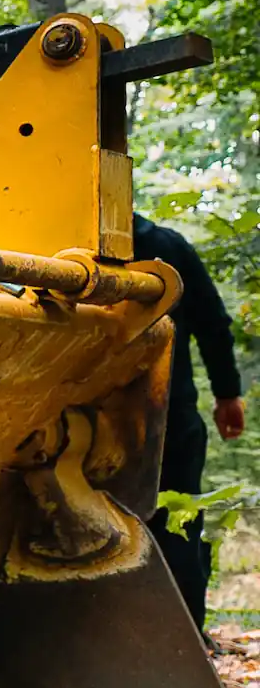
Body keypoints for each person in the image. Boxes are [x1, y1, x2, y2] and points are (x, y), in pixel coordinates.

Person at [132, 211, 246, 631]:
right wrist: (227, 394)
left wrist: (227, 392)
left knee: (175, 526)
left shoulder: (166, 246)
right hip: (168, 418)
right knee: (177, 527)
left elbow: (213, 324)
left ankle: (182, 642)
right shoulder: (167, 245)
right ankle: (186, 642)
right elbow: (213, 324)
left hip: (90, 422)